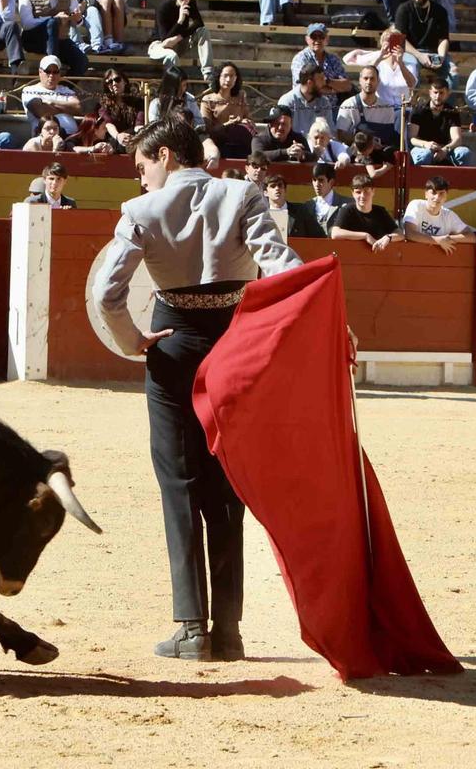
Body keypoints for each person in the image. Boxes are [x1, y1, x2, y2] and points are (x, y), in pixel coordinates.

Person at [92, 116, 302, 663]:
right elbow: (279, 264)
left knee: (179, 481)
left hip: (175, 347)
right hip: (234, 347)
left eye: (142, 167)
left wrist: (133, 340)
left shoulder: (141, 212)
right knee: (227, 482)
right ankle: (228, 631)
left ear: (164, 154)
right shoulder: (241, 193)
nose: (140, 181)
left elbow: (107, 295)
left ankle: (191, 630)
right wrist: (314, 309)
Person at [18, 0, 87, 75]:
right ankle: (52, 67)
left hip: (60, 38)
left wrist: (78, 18)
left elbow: (78, 20)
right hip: (34, 39)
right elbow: (26, 23)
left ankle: (64, 89)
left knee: (81, 61)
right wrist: (53, 19)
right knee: (52, 23)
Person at [148, 0, 214, 86]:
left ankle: (208, 75)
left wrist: (180, 37)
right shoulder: (164, 8)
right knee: (172, 56)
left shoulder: (190, 2)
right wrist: (180, 20)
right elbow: (165, 40)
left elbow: (199, 23)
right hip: (159, 45)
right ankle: (175, 87)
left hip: (179, 41)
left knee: (203, 31)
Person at [394, 0, 451, 84]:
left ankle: (446, 101)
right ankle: (412, 101)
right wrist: (419, 56)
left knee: (453, 72)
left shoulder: (440, 11)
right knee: (412, 68)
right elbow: (400, 40)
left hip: (434, 52)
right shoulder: (404, 9)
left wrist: (441, 57)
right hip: (411, 52)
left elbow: (443, 38)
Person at [402, 175, 476, 252]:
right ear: (426, 194)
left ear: (446, 196)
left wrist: (447, 239)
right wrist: (438, 241)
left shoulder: (449, 215)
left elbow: (472, 237)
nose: (437, 197)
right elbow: (409, 234)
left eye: (441, 193)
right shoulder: (416, 205)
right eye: (433, 193)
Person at [330, 174, 403, 251]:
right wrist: (365, 236)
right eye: (358, 192)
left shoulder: (380, 212)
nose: (362, 196)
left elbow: (400, 234)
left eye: (366, 191)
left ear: (373, 191)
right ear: (353, 193)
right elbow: (335, 233)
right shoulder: (347, 210)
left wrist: (388, 237)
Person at [409, 79, 470, 166]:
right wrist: (426, 144)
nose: (437, 96)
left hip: (445, 148)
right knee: (424, 155)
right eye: (435, 92)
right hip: (423, 147)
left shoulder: (452, 112)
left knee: (464, 153)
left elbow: (457, 139)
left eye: (441, 93)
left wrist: (445, 150)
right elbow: (412, 138)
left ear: (448, 93)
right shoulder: (418, 111)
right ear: (430, 93)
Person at [200, 61, 253, 158]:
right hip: (218, 143)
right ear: (218, 77)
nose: (228, 80)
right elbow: (207, 130)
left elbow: (249, 119)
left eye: (232, 76)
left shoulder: (241, 96)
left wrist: (245, 122)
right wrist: (227, 124)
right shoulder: (208, 100)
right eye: (225, 76)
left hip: (239, 142)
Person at [289, 22, 351, 104]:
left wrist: (326, 81)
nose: (317, 40)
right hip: (306, 107)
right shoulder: (300, 59)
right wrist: (335, 89)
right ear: (307, 39)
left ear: (327, 39)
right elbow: (306, 87)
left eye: (321, 37)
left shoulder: (333, 59)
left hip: (332, 108)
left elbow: (347, 86)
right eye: (314, 37)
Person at [22, 53, 81, 138]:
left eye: (55, 72)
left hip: (72, 136)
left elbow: (78, 107)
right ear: (40, 72)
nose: (51, 76)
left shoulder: (65, 90)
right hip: (46, 138)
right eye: (48, 71)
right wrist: (67, 108)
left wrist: (51, 103)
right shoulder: (29, 90)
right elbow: (41, 111)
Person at [336, 65, 398, 146]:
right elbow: (341, 135)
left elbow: (390, 135)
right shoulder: (349, 105)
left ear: (378, 81)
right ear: (360, 81)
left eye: (372, 79)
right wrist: (366, 143)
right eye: (365, 78)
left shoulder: (387, 108)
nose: (368, 82)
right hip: (356, 153)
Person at [277, 64, 335, 138]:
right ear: (309, 83)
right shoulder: (287, 102)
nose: (324, 83)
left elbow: (331, 132)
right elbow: (282, 132)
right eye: (321, 79)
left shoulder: (324, 102)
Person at [262, 174, 323, 240]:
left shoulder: (301, 210)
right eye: (273, 186)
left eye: (280, 185)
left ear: (285, 190)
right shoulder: (262, 215)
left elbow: (318, 236)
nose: (277, 188)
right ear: (265, 193)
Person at [99, 65, 142, 152]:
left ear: (125, 81)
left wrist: (130, 137)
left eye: (117, 80)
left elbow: (139, 124)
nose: (114, 84)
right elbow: (108, 124)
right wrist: (118, 136)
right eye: (110, 82)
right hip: (113, 139)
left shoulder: (138, 102)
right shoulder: (104, 105)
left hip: (134, 138)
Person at [307, 160, 348, 230]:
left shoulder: (346, 205)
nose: (316, 184)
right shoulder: (308, 205)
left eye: (321, 180)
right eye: (314, 180)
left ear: (331, 182)